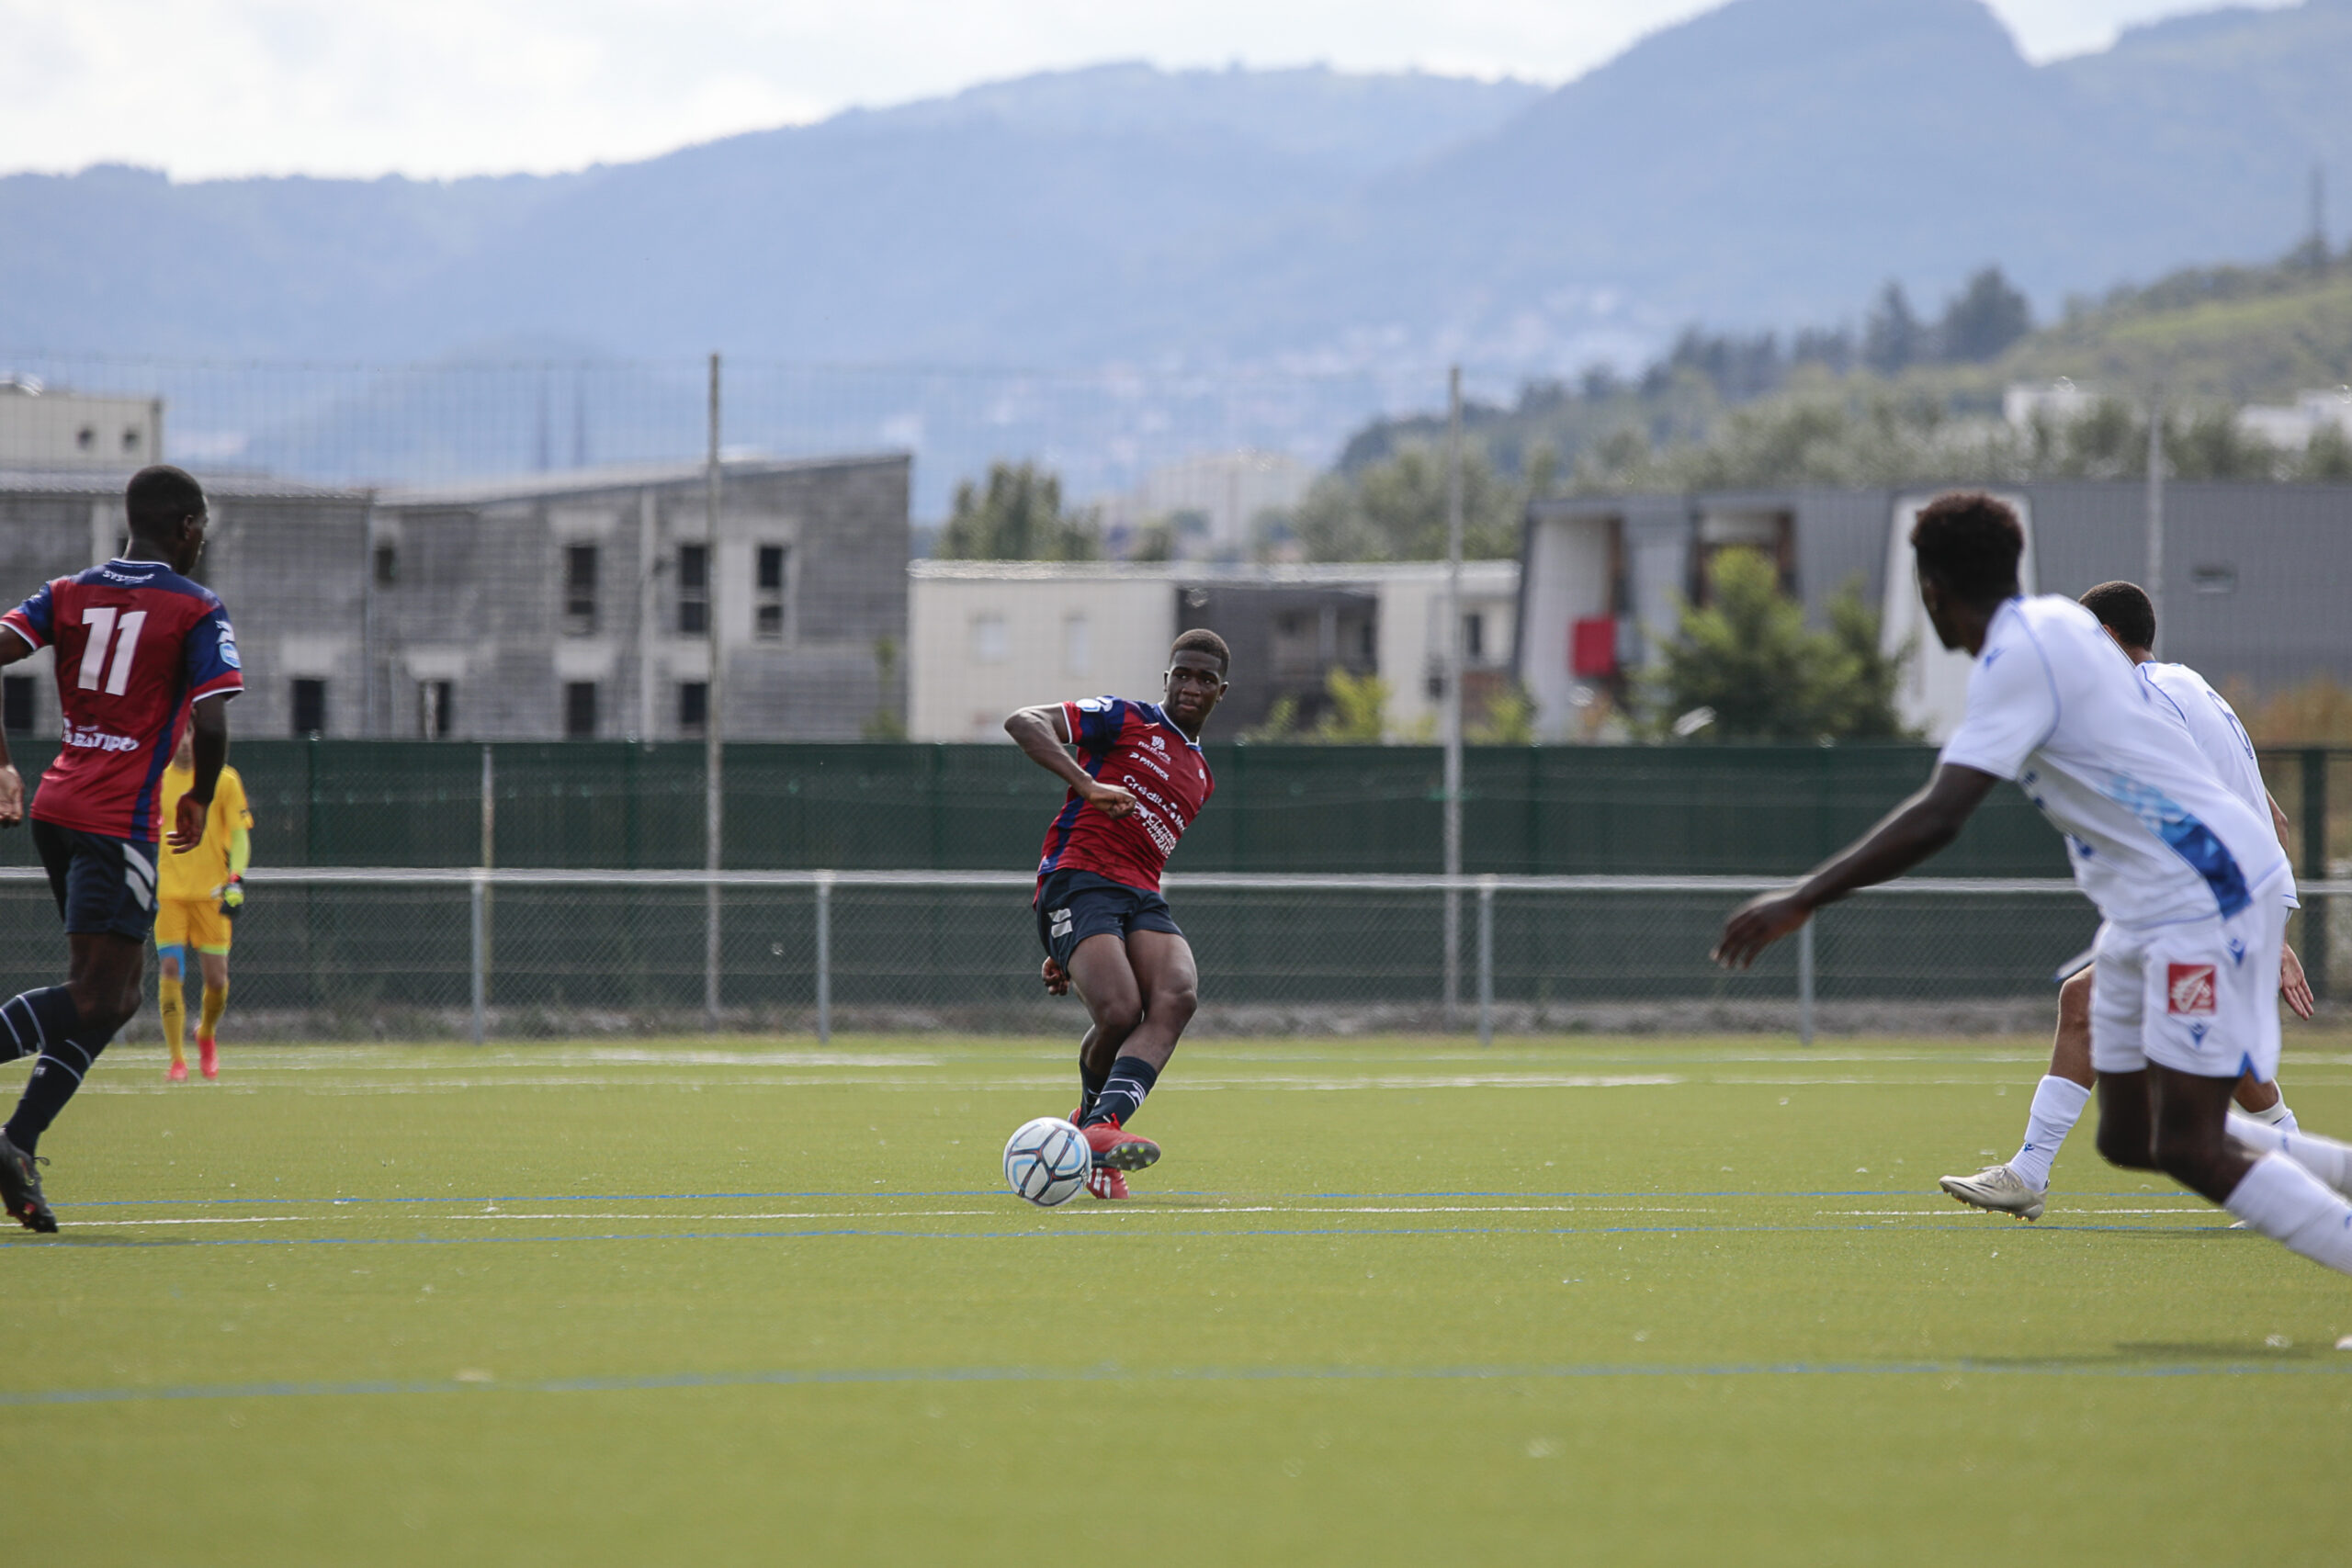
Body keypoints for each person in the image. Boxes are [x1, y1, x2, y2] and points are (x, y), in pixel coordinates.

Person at [1713, 491, 2352, 1278]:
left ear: (1932, 589)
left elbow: (1940, 814)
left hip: (2201, 894)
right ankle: (2034, 1171)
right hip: (2157, 903)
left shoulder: (2022, 659)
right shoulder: (2061, 627)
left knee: (2187, 1140)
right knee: (2129, 1135)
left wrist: (1801, 897)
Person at [1939, 579, 2313, 1219]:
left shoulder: (2146, 696)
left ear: (2109, 638)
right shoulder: (2192, 686)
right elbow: (2272, 817)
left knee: (2128, 1026)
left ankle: (2030, 1173)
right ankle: (2030, 1172)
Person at [0, 465, 243, 1232]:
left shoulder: (68, 591)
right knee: (99, 995)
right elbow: (210, 720)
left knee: (113, 995)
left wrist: (5, 761)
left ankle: (16, 1144)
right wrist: (199, 796)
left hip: (58, 806)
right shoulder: (195, 607)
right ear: (187, 527)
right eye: (202, 525)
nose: (203, 538)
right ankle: (17, 1138)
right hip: (116, 822)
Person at [1004, 630, 1228, 1200]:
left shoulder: (1201, 777)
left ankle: (1097, 1130)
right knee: (1122, 1009)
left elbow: (1146, 854)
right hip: (1079, 880)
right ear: (1167, 679)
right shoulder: (1126, 719)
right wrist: (1086, 782)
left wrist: (1075, 953)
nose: (1190, 685)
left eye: (1204, 679)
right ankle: (1094, 1138)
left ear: (1219, 692)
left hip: (1139, 895)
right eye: (1182, 673)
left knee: (1177, 995)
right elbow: (1023, 721)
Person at [155, 725, 252, 1082]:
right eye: (177, 731)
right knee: (170, 969)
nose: (183, 741)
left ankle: (206, 1033)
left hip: (211, 894)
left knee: (217, 979)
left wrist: (235, 879)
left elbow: (240, 836)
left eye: (190, 732)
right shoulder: (156, 780)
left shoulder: (223, 781)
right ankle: (177, 1060)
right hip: (169, 893)